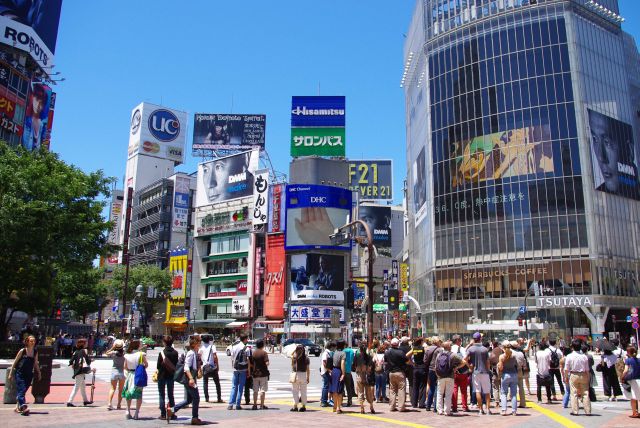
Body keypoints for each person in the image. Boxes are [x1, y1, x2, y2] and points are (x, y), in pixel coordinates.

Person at [168, 337, 204, 425]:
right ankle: (195, 418)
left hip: (191, 377)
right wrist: (191, 378)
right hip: (189, 378)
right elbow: (186, 367)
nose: (200, 344)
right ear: (194, 344)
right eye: (198, 343)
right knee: (196, 398)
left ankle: (171, 410)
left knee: (188, 400)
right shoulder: (191, 353)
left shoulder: (195, 353)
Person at [8, 335, 41, 415]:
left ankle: (17, 408)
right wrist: (10, 373)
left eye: (34, 341)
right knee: (22, 390)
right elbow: (15, 362)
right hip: (20, 373)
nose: (33, 342)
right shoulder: (23, 351)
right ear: (27, 342)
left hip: (29, 374)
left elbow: (35, 363)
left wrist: (39, 373)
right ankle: (23, 407)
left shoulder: (35, 351)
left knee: (22, 391)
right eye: (31, 341)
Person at [435, 341, 466, 416]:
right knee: (448, 394)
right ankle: (447, 411)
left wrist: (437, 375)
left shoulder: (439, 354)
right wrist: (456, 368)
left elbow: (436, 366)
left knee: (440, 393)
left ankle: (439, 410)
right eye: (450, 345)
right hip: (450, 376)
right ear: (449, 347)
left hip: (440, 376)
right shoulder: (453, 355)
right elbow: (463, 362)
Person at [122, 339, 148, 420]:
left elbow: (125, 367)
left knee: (128, 394)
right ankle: (136, 413)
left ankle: (127, 411)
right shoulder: (141, 354)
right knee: (139, 395)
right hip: (138, 375)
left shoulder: (127, 355)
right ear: (137, 346)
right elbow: (146, 364)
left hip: (130, 375)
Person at [564, 339, 591, 416]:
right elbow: (587, 369)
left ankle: (575, 411)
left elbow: (566, 369)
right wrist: (588, 377)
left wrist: (566, 377)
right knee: (585, 393)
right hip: (583, 374)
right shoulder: (584, 357)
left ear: (572, 347)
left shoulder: (569, 356)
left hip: (573, 374)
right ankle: (588, 411)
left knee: (574, 393)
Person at [466, 332, 491, 415]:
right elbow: (488, 362)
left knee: (477, 391)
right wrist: (488, 370)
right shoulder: (485, 349)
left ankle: (480, 410)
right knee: (487, 391)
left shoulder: (471, 349)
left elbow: (465, 359)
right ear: (480, 338)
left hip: (475, 372)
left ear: (473, 339)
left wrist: (469, 367)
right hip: (484, 372)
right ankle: (488, 409)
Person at [21, 82, 48, 151]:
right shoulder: (26, 120)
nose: (38, 104)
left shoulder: (43, 125)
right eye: (37, 99)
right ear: (33, 99)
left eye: (41, 102)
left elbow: (43, 143)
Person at [67, 338, 94, 407]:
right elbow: (87, 360)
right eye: (86, 343)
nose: (87, 344)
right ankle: (69, 401)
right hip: (81, 371)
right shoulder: (84, 350)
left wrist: (73, 365)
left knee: (83, 387)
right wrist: (91, 361)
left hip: (77, 370)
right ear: (83, 344)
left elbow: (71, 361)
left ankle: (85, 400)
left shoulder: (75, 351)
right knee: (76, 387)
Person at [157, 335, 179, 420]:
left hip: (162, 375)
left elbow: (158, 366)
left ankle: (163, 414)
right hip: (171, 376)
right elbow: (176, 365)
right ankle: (172, 413)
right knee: (171, 395)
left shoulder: (162, 353)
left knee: (162, 395)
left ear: (164, 343)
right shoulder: (175, 353)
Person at [228, 334, 252, 410]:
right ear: (244, 339)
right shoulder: (246, 348)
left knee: (234, 386)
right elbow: (248, 360)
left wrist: (233, 366)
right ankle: (238, 404)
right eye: (247, 339)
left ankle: (230, 404)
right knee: (241, 387)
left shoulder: (233, 347)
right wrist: (249, 370)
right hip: (243, 369)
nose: (247, 340)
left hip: (235, 369)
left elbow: (231, 358)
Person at [385, 337, 409, 412]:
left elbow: (386, 362)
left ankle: (392, 406)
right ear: (398, 344)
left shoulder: (387, 352)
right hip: (400, 372)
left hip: (391, 373)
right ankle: (401, 407)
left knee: (392, 390)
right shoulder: (401, 352)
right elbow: (407, 361)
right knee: (401, 389)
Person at [199, 335, 223, 403]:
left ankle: (207, 398)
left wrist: (200, 366)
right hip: (212, 367)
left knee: (205, 382)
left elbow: (199, 357)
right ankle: (219, 398)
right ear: (209, 340)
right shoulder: (213, 346)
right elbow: (215, 356)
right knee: (217, 383)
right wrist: (217, 365)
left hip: (205, 367)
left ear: (203, 341)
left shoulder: (201, 348)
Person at [353, 341, 375, 414]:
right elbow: (370, 367)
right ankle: (371, 407)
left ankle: (362, 408)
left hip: (359, 375)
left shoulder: (356, 356)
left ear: (360, 349)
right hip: (366, 376)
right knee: (369, 393)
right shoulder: (369, 357)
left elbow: (354, 366)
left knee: (360, 392)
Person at [497, 341, 518, 416]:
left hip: (505, 375)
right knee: (514, 394)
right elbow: (516, 365)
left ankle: (504, 410)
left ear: (503, 348)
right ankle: (514, 411)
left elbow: (501, 367)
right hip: (514, 374)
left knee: (503, 393)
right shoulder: (514, 356)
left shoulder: (502, 356)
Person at [451, 334, 470, 412]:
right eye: (460, 340)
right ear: (457, 340)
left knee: (454, 389)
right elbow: (465, 359)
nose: (461, 341)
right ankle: (464, 407)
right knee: (463, 390)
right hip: (462, 372)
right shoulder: (461, 349)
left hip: (453, 372)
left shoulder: (450, 348)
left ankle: (454, 407)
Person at [105, 339, 126, 410]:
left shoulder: (113, 352)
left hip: (114, 372)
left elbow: (106, 353)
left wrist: (113, 347)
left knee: (112, 388)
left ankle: (109, 403)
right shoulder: (124, 353)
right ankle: (119, 404)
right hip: (122, 372)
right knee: (121, 390)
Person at [620, 345, 640, 418]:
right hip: (639, 379)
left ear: (628, 352)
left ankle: (635, 412)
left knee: (633, 397)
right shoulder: (639, 360)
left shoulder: (628, 360)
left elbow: (625, 370)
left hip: (632, 380)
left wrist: (622, 377)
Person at [407, 337, 427, 409]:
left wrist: (412, 363)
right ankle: (421, 403)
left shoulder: (414, 349)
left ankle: (414, 403)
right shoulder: (423, 349)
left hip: (415, 368)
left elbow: (406, 355)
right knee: (422, 386)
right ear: (421, 342)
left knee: (415, 386)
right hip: (422, 367)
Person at [424, 336, 443, 412]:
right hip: (437, 369)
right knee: (437, 387)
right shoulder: (439, 349)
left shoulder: (427, 348)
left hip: (430, 369)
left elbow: (425, 360)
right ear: (436, 341)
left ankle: (428, 406)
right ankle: (435, 407)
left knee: (431, 387)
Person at [290, 344, 310, 412]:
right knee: (303, 391)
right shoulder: (306, 358)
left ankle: (295, 406)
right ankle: (303, 406)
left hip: (296, 375)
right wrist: (308, 377)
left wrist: (294, 351)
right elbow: (308, 369)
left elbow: (292, 365)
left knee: (295, 391)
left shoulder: (294, 357)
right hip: (303, 375)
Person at [251, 339, 270, 410]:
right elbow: (267, 363)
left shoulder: (254, 353)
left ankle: (255, 405)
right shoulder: (264, 353)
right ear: (262, 345)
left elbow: (251, 363)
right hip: (263, 374)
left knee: (255, 390)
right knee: (262, 390)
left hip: (255, 374)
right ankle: (262, 405)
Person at [329, 339, 347, 413]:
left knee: (334, 390)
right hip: (339, 371)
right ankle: (338, 408)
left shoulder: (334, 352)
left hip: (334, 371)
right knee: (339, 390)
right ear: (343, 345)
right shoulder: (343, 353)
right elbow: (342, 363)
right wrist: (343, 373)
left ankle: (334, 406)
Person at [489, 339, 504, 410]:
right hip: (502, 370)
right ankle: (504, 401)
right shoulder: (501, 350)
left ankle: (497, 402)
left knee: (495, 387)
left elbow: (490, 360)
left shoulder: (492, 351)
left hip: (495, 371)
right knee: (503, 387)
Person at [320, 341, 336, 407]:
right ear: (331, 347)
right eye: (334, 347)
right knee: (326, 386)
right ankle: (324, 401)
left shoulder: (328, 353)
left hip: (326, 371)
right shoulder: (325, 353)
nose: (334, 349)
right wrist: (329, 370)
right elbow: (324, 363)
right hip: (325, 371)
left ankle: (324, 400)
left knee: (326, 386)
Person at [343, 341, 356, 406]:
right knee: (348, 387)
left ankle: (340, 400)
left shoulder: (342, 351)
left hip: (341, 370)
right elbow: (352, 361)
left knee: (341, 386)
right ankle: (349, 401)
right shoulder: (351, 351)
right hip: (348, 370)